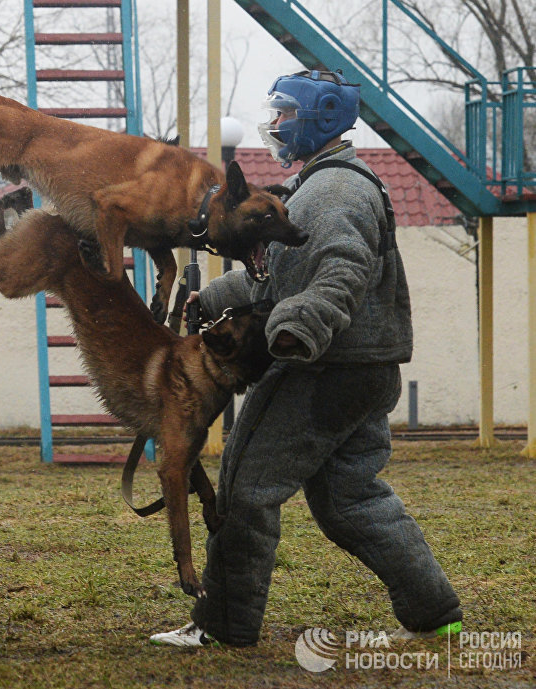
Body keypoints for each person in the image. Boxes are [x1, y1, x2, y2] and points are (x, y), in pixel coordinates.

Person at [149, 70, 462, 648]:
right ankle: (436, 610)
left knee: (245, 490)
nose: (275, 124)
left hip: (321, 368)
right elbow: (288, 278)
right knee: (352, 498)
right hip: (366, 368)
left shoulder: (333, 192)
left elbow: (340, 271)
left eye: (286, 114)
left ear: (319, 116)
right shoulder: (332, 183)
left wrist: (298, 329)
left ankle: (222, 628)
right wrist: (214, 298)